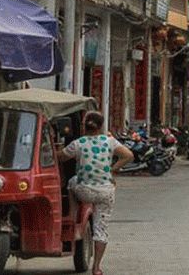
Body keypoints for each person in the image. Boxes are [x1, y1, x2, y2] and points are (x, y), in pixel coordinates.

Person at [57, 111, 134, 275]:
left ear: (85, 126)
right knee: (101, 229)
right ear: (101, 126)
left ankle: (73, 214)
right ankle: (97, 267)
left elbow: (61, 158)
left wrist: (55, 147)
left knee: (71, 183)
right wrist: (112, 170)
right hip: (105, 191)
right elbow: (128, 155)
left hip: (83, 191)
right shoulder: (110, 141)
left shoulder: (79, 143)